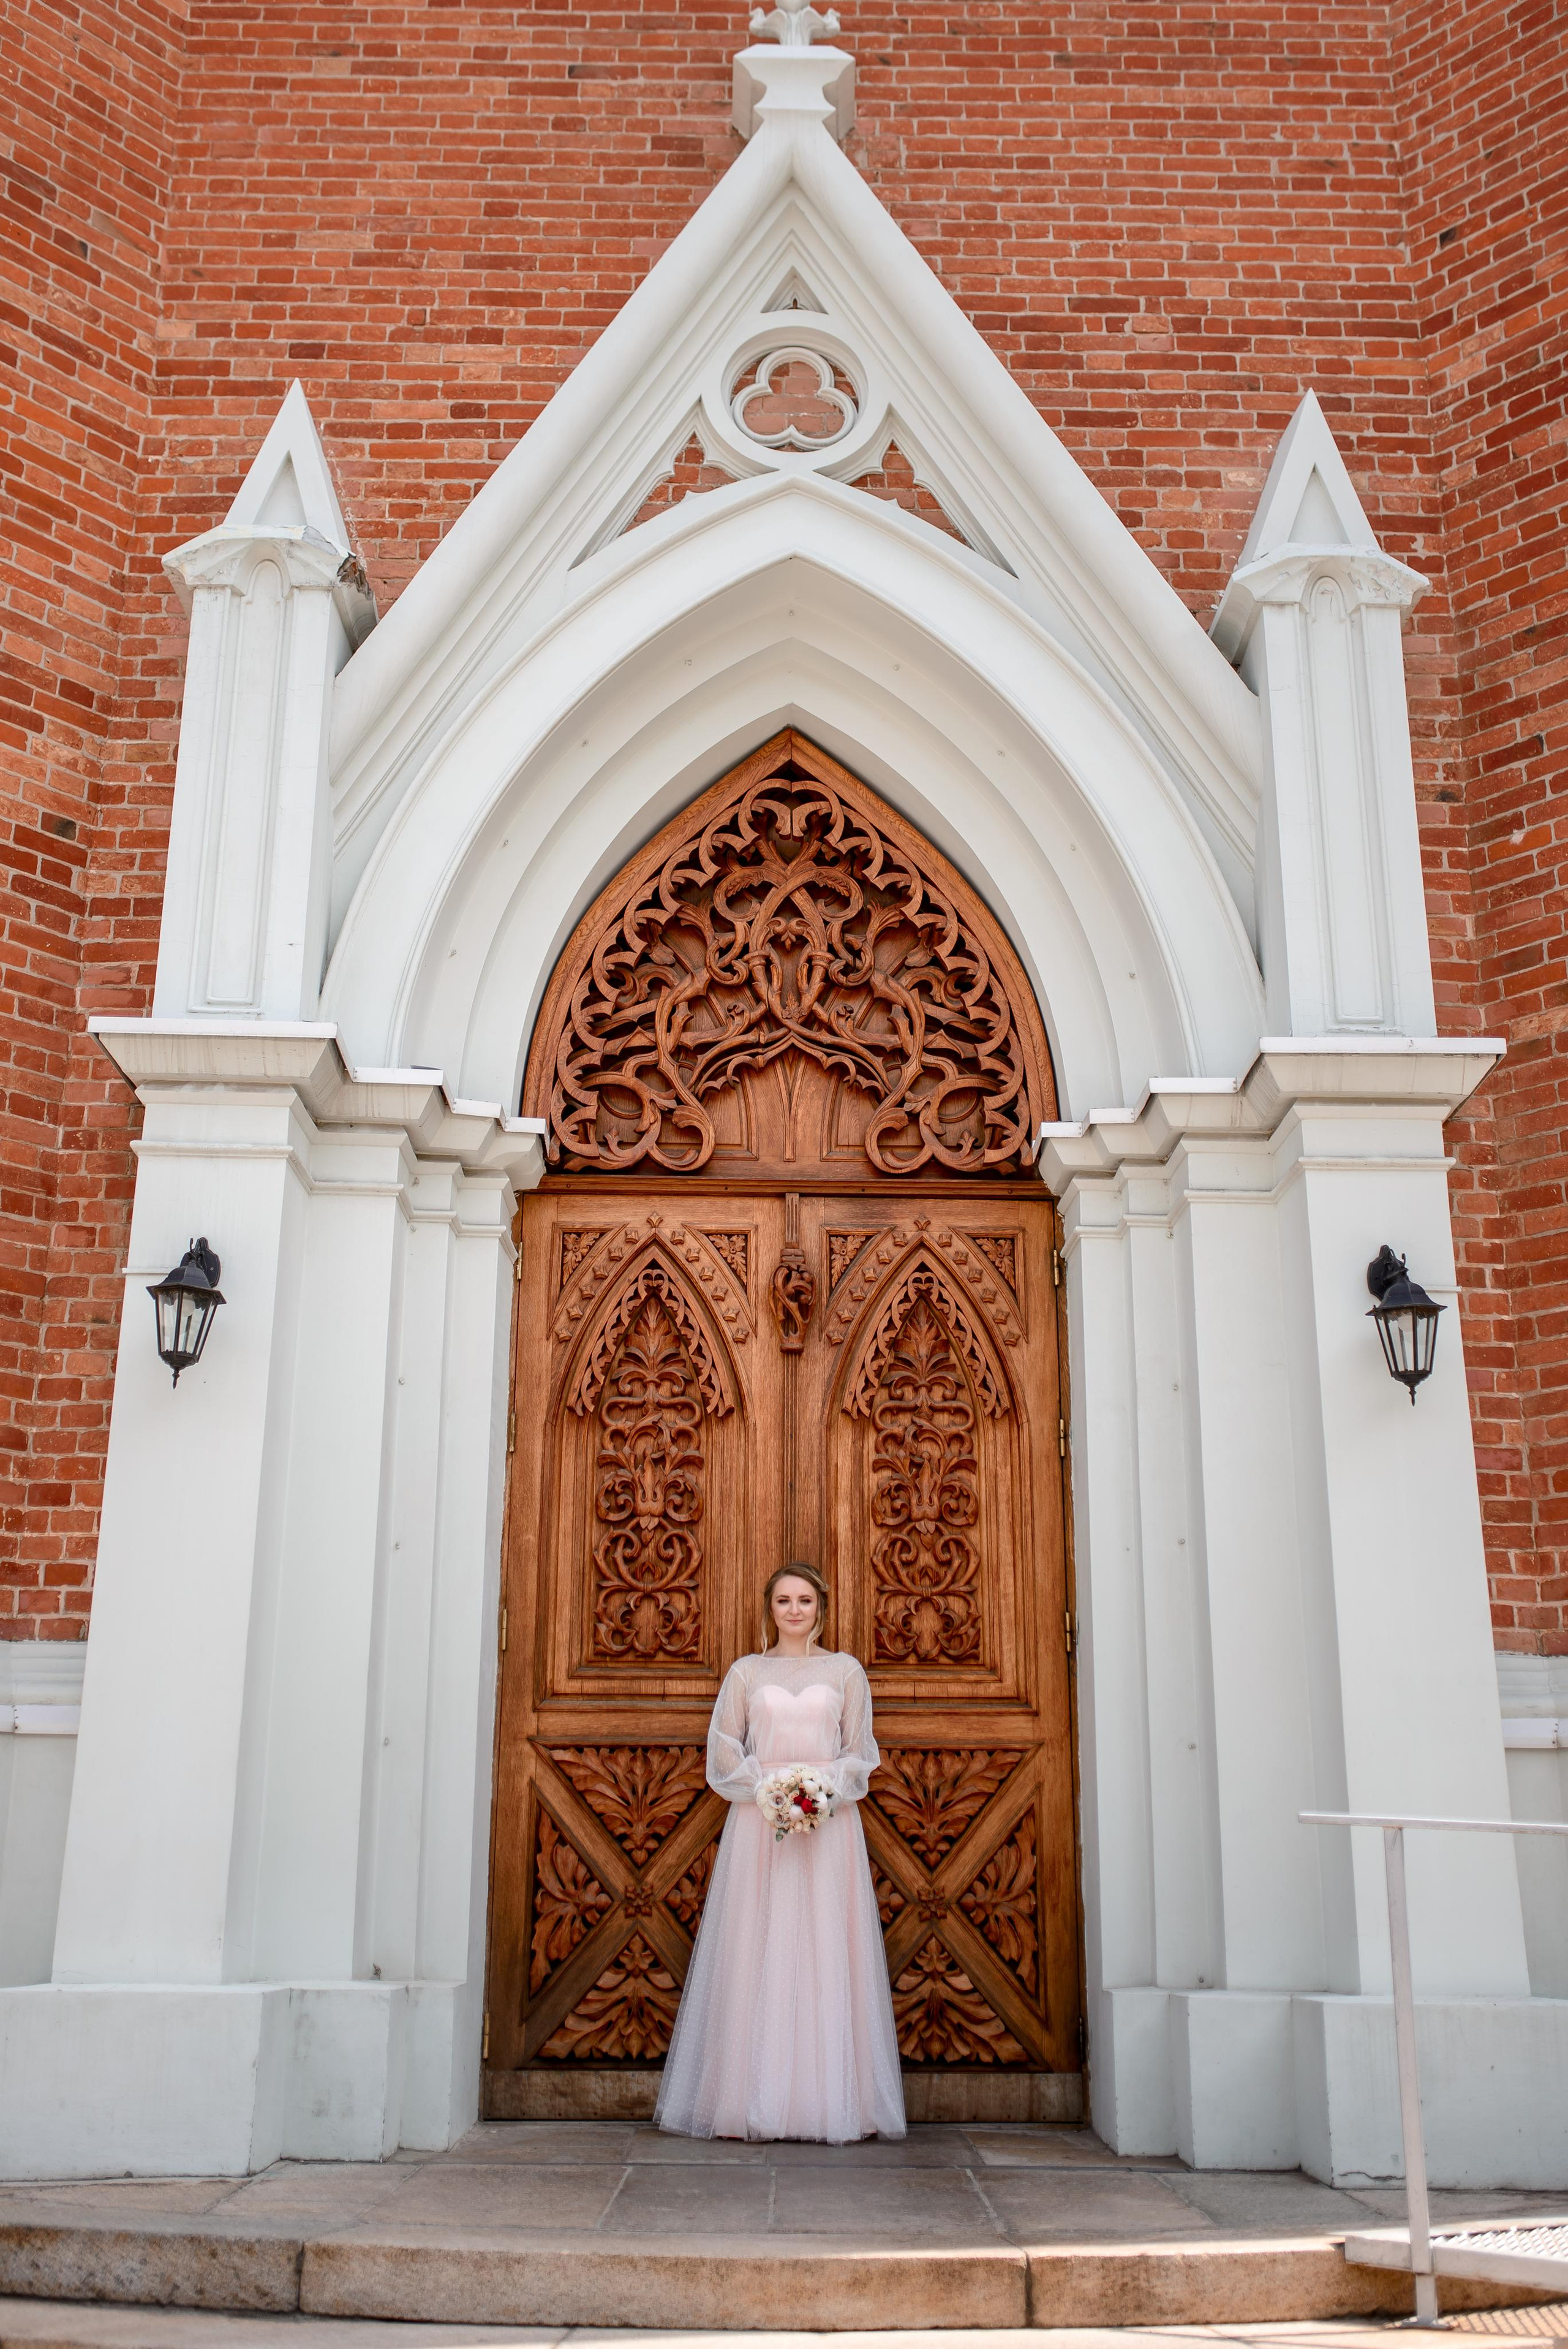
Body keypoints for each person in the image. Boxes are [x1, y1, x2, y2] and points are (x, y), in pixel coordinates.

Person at [655, 1562, 907, 2143]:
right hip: (758, 1824)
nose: (795, 1611)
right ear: (769, 1608)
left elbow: (859, 1751)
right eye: (784, 1601)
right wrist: (766, 1792)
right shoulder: (747, 1673)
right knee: (757, 1950)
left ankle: (829, 2101)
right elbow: (724, 1750)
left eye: (805, 1601)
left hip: (828, 1826)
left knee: (824, 1948)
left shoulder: (845, 1671)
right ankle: (752, 2099)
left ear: (822, 1607)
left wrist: (822, 1793)